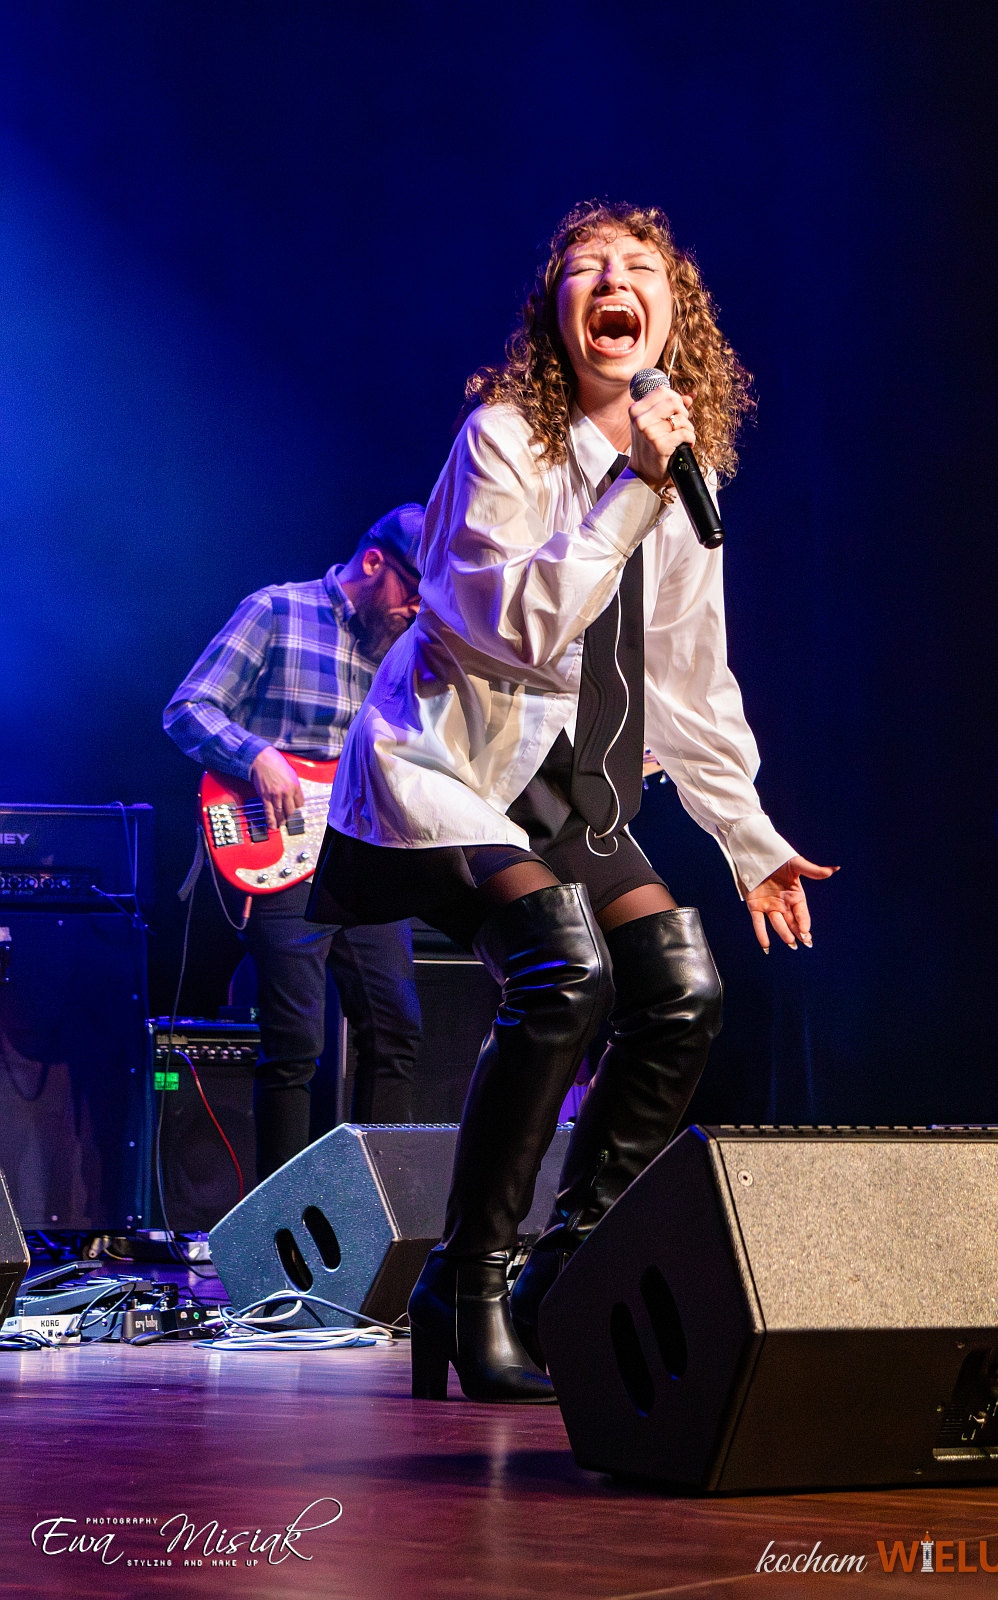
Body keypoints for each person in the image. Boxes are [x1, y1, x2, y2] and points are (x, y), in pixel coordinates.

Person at [309, 201, 836, 1402]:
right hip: (446, 769)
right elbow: (505, 628)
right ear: (555, 316)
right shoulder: (503, 438)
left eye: (636, 266)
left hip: (570, 786)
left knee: (680, 991)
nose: (610, 280)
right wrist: (628, 492)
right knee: (562, 973)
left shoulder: (686, 477)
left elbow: (689, 680)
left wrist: (747, 837)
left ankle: (560, 1278)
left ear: (671, 315)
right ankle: (465, 1281)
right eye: (584, 267)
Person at [164, 505, 425, 1181]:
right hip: (281, 850)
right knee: (295, 1045)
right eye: (412, 591)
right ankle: (278, 1223)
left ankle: (377, 1210)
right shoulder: (277, 610)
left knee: (396, 1031)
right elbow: (188, 708)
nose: (417, 610)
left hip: (370, 852)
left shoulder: (411, 648)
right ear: (374, 563)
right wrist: (255, 755)